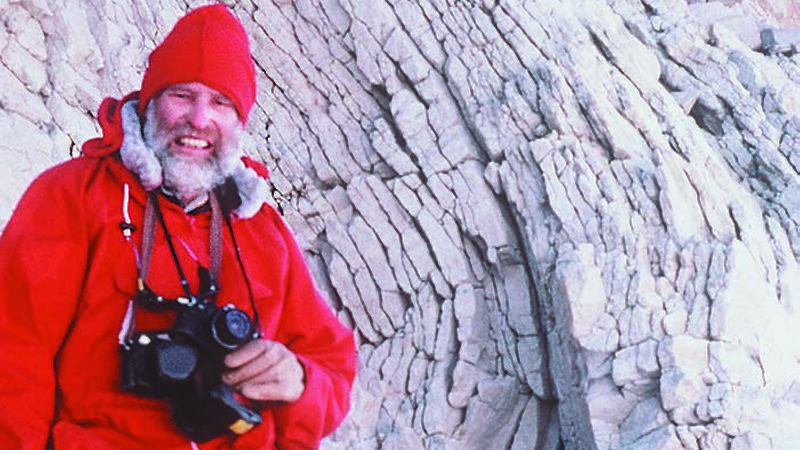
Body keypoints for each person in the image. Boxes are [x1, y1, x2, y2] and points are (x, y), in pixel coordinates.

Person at [0, 4, 356, 449]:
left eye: (221, 102)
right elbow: (12, 356)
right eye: (182, 95)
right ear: (151, 103)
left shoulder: (261, 230)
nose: (200, 119)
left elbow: (334, 364)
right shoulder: (73, 196)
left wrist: (300, 379)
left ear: (239, 121)